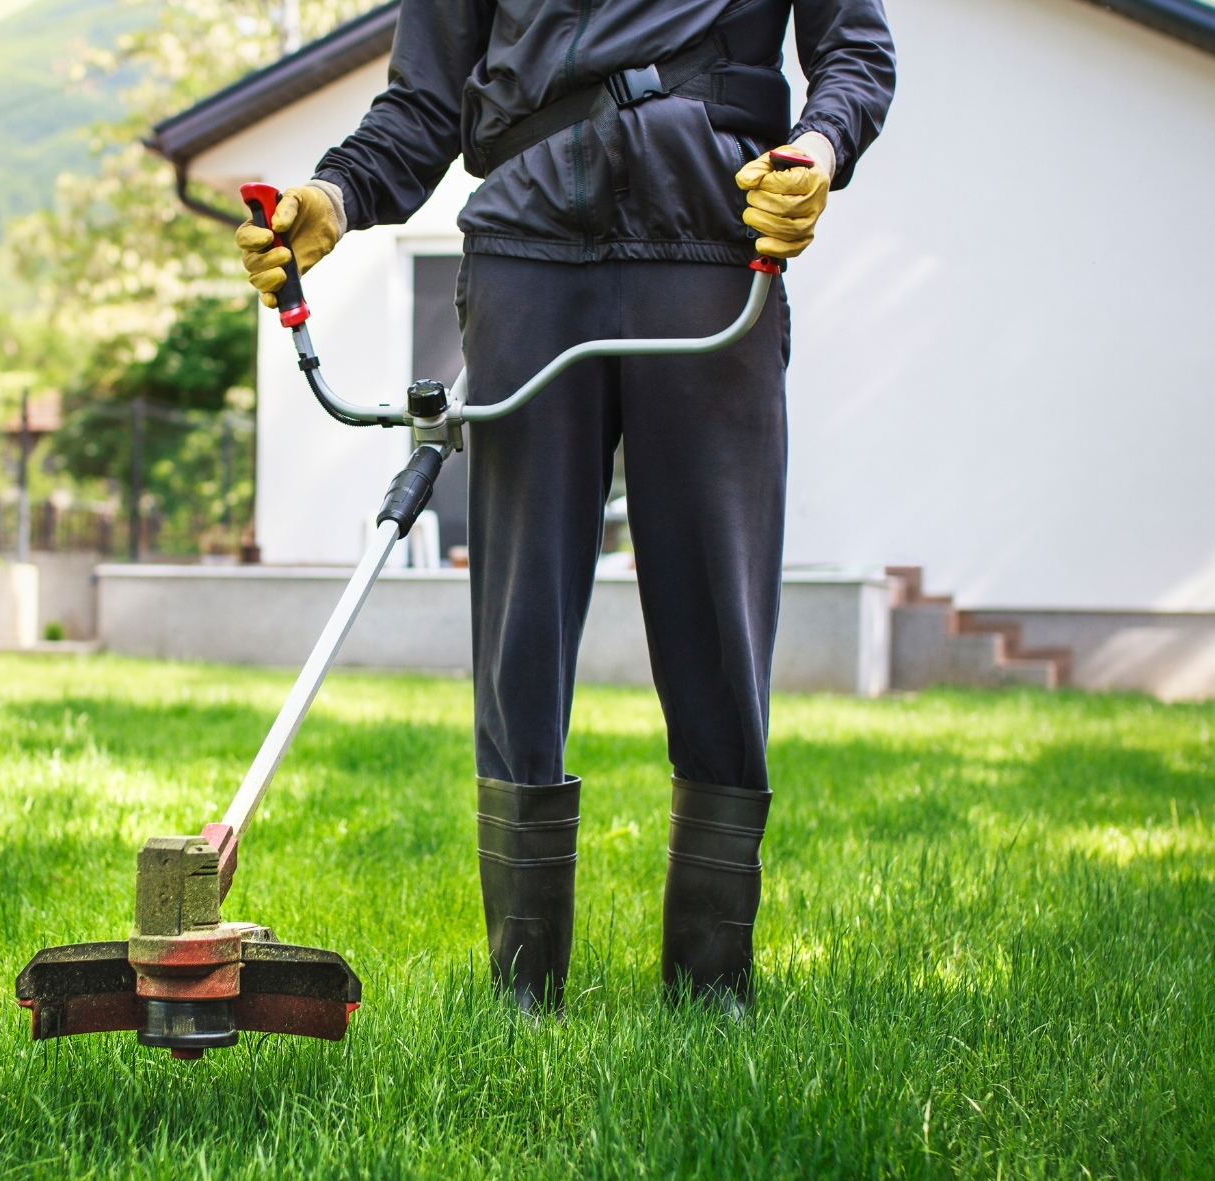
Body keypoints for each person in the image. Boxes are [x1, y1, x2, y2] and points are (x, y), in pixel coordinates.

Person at [235, 0, 895, 1014]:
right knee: (521, 625)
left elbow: (854, 50)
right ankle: (523, 984)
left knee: (717, 619)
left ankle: (712, 983)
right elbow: (424, 104)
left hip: (711, 246)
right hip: (527, 255)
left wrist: (817, 147)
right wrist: (336, 192)